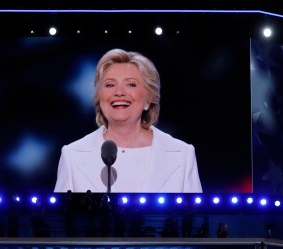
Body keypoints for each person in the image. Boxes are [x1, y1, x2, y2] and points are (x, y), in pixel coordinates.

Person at [54, 49, 201, 194]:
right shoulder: (72, 155)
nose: (119, 92)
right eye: (110, 85)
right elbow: (59, 217)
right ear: (99, 97)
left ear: (149, 99)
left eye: (131, 84)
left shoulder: (183, 154)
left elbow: (197, 216)